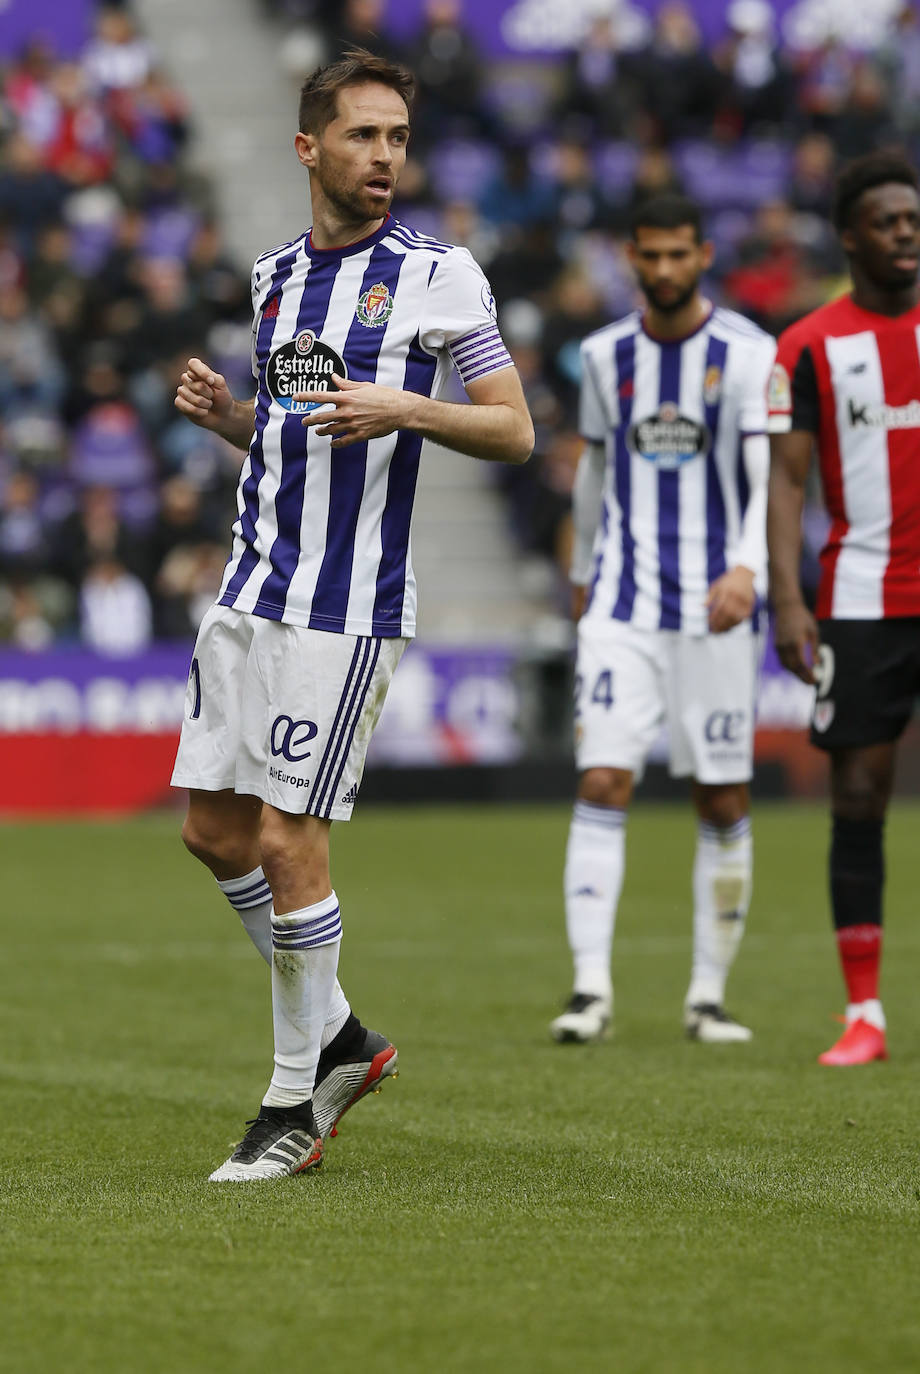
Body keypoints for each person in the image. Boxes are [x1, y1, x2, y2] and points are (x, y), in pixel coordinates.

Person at [171, 49, 533, 1180]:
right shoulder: (275, 275)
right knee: (214, 833)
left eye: (397, 140)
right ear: (307, 148)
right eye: (364, 137)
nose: (384, 158)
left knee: (286, 840)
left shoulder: (437, 273)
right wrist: (232, 416)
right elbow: (294, 431)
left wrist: (410, 407)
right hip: (251, 586)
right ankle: (338, 1038)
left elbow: (514, 427)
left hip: (345, 603)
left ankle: (294, 1104)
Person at [549, 194, 776, 1046]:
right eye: (652, 256)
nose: (667, 270)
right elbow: (592, 473)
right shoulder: (605, 356)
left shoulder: (750, 355)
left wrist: (748, 567)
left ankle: (707, 998)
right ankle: (589, 991)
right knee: (604, 777)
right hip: (624, 602)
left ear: (704, 255)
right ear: (632, 257)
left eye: (681, 255)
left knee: (721, 795)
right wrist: (580, 573)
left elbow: (766, 479)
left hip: (716, 608)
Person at [767, 150, 920, 1066]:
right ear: (852, 236)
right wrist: (789, 598)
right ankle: (863, 1013)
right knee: (858, 796)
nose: (907, 231)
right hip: (862, 599)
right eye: (889, 220)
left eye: (915, 218)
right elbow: (787, 484)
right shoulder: (808, 344)